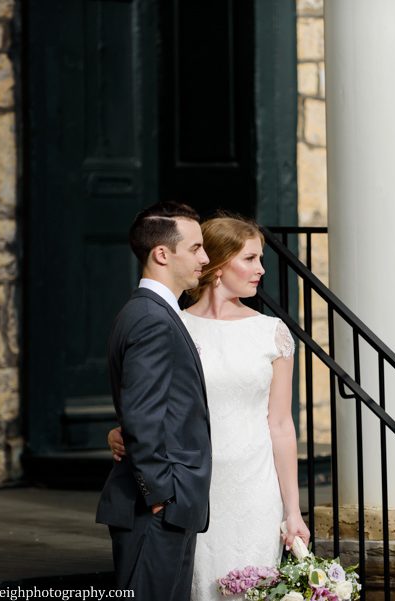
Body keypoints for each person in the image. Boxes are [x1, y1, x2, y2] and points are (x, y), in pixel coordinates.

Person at [108, 214, 310, 601]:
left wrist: (292, 510)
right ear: (218, 264)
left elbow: (281, 425)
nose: (261, 270)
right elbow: (145, 401)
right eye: (250, 259)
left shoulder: (271, 332)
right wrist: (120, 432)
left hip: (254, 489)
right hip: (193, 488)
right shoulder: (173, 324)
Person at [95, 201, 213, 601]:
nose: (205, 258)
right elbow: (142, 415)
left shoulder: (154, 311)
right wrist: (160, 493)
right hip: (156, 507)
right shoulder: (150, 318)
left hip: (168, 504)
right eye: (196, 248)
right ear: (162, 254)